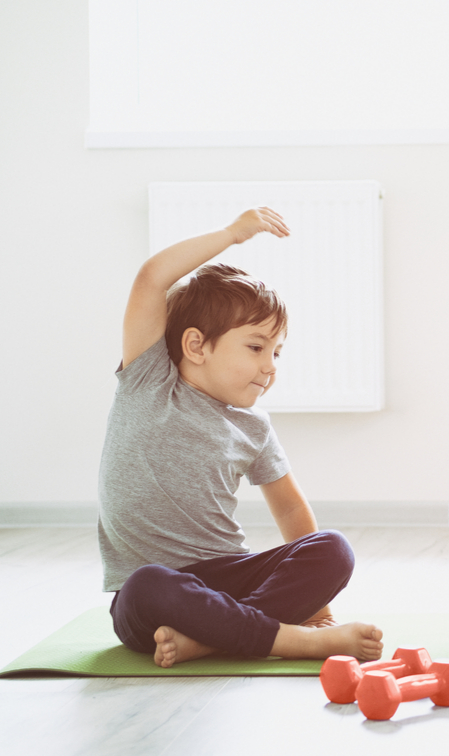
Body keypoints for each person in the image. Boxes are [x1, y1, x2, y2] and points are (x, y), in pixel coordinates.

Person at [98, 207, 383, 668]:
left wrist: (320, 608)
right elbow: (152, 278)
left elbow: (290, 507)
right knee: (148, 583)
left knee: (333, 549)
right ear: (196, 346)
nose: (270, 366)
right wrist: (232, 234)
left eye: (276, 352)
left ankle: (214, 641)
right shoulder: (148, 381)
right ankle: (290, 642)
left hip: (231, 579)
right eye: (255, 347)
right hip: (157, 598)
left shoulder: (254, 427)